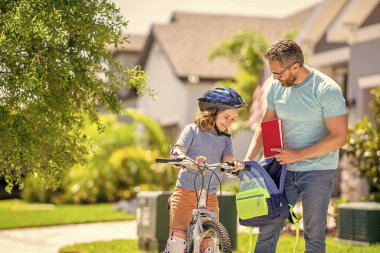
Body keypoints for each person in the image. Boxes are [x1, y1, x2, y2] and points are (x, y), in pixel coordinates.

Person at [244, 39, 348, 253]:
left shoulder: (326, 89)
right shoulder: (275, 88)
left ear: (295, 67)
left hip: (318, 172)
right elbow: (266, 126)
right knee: (268, 230)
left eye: (278, 73)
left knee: (314, 235)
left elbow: (339, 137)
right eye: (272, 73)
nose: (275, 78)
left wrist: (298, 155)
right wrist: (248, 158)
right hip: (282, 170)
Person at [164, 87, 246, 253]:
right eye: (226, 117)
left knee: (210, 247)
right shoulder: (191, 130)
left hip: (210, 197)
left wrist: (234, 165)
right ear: (212, 112)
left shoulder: (226, 138)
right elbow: (177, 151)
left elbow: (228, 158)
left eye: (233, 118)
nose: (230, 121)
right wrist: (186, 160)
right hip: (185, 194)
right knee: (176, 245)